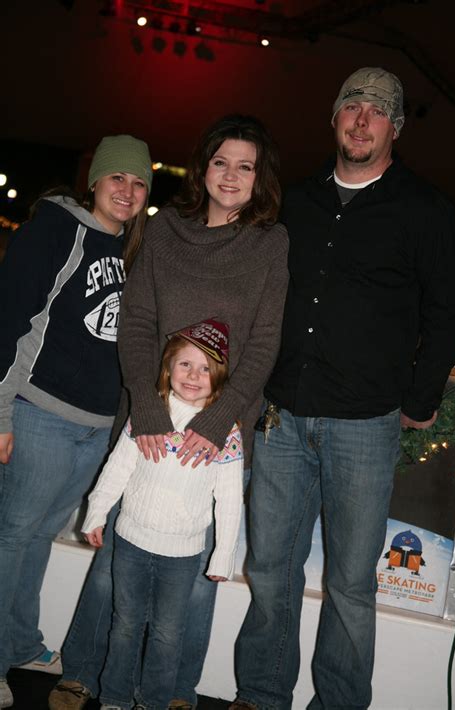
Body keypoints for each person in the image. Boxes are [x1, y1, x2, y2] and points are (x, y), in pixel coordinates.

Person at [230, 68, 455, 710]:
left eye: (378, 112)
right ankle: (260, 694)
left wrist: (419, 402)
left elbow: (447, 312)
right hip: (282, 420)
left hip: (365, 427)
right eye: (352, 107)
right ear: (335, 117)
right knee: (271, 571)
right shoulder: (296, 202)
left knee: (351, 586)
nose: (362, 120)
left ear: (395, 128)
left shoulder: (426, 211)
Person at [49, 114, 289, 710]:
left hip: (220, 437)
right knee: (113, 565)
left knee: (200, 579)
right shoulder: (164, 232)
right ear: (202, 167)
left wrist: (217, 420)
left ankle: (177, 691)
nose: (230, 176)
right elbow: (135, 323)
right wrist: (150, 406)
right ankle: (83, 669)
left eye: (246, 165)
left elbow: (263, 344)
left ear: (260, 178)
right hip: (148, 427)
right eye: (220, 162)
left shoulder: (270, 242)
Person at [0, 134, 152, 709]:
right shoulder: (56, 230)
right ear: (95, 180)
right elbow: (11, 318)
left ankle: (18, 640)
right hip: (41, 413)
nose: (128, 191)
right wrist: (1, 413)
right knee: (11, 537)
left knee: (37, 536)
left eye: (139, 183)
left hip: (95, 426)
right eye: (118, 178)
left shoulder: (130, 250)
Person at [82, 320, 243, 709]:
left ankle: (153, 702)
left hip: (183, 555)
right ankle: (115, 698)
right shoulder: (148, 413)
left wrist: (222, 555)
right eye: (185, 364)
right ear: (168, 367)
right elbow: (117, 467)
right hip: (132, 542)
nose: (194, 375)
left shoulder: (226, 431)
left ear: (218, 378)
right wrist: (96, 513)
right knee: (124, 625)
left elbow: (231, 498)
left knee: (168, 635)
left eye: (206, 368)